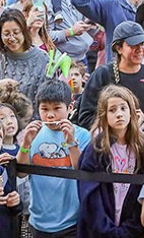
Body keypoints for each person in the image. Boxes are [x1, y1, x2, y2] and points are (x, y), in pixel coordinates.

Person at [18, 79, 92, 238]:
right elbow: (21, 173)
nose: (50, 115)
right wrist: (25, 144)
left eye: (57, 108)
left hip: (72, 220)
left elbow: (82, 171)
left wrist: (72, 143)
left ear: (69, 108)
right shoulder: (32, 134)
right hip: (38, 220)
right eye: (44, 109)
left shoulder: (83, 135)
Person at [77, 85, 144, 237]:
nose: (119, 114)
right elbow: (89, 195)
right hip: (99, 230)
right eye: (112, 110)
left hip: (130, 230)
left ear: (132, 112)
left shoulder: (142, 149)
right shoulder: (96, 148)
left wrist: (128, 230)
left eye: (123, 108)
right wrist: (107, 231)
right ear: (104, 115)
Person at [76, 21, 144, 128]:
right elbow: (86, 117)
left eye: (142, 44)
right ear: (119, 48)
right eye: (133, 45)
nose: (140, 49)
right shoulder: (102, 75)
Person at [0, 8, 50, 109]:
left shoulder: (43, 58)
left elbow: (50, 97)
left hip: (35, 123)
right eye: (6, 34)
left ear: (24, 32)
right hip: (2, 122)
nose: (11, 38)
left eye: (16, 33)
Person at [44, 0, 96, 64]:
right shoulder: (47, 1)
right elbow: (45, 36)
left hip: (83, 58)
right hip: (63, 63)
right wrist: (71, 32)